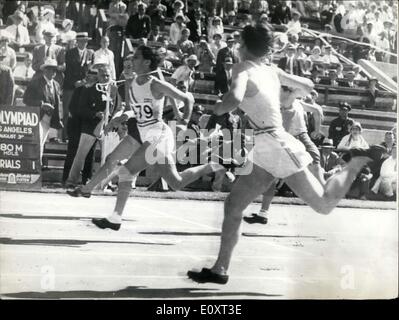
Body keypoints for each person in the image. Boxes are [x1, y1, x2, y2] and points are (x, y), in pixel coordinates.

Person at [186, 23, 379, 284]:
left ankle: (354, 163)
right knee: (233, 205)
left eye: (239, 43)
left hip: (275, 143)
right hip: (264, 146)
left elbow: (233, 99)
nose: (237, 47)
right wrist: (289, 82)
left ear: (244, 46)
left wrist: (218, 108)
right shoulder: (270, 70)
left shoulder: (243, 68)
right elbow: (309, 84)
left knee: (323, 205)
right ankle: (220, 269)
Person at [67, 45, 229, 231]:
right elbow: (134, 109)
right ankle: (214, 165)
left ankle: (114, 217)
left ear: (146, 62)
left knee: (126, 172)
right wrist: (123, 116)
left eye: (136, 58)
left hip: (157, 133)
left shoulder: (155, 83)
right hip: (143, 132)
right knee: (174, 182)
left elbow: (188, 99)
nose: (132, 61)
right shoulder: (132, 83)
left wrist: (183, 120)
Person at [244, 85, 325, 225]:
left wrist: (317, 130)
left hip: (297, 139)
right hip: (291, 141)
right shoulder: (291, 104)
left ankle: (328, 197)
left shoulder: (290, 104)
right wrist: (317, 130)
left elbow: (316, 110)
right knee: (270, 176)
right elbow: (317, 110)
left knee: (315, 172)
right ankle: (263, 214)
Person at [65, 65, 118, 186]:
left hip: (108, 128)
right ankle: (71, 181)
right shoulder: (89, 90)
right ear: (97, 76)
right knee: (80, 155)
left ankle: (107, 183)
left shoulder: (114, 89)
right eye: (102, 75)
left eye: (107, 75)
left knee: (110, 156)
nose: (105, 78)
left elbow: (118, 107)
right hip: (90, 127)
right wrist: (95, 114)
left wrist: (112, 119)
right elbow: (80, 109)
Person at [23, 58, 64, 162]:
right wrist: (41, 104)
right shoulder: (36, 82)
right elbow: (26, 99)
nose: (53, 72)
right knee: (38, 141)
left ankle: (37, 163)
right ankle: (36, 164)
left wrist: (58, 119)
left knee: (42, 141)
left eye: (55, 70)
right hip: (38, 116)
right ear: (44, 70)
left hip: (49, 119)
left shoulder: (56, 85)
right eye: (50, 69)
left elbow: (57, 102)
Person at [62, 68, 98, 185]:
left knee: (90, 154)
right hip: (76, 125)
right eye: (90, 74)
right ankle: (66, 178)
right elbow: (72, 108)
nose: (91, 77)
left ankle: (86, 179)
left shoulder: (98, 91)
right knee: (72, 151)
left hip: (90, 125)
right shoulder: (79, 90)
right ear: (86, 75)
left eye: (94, 75)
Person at [63, 32, 94, 140]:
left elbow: (91, 71)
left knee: (81, 111)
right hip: (70, 87)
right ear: (77, 42)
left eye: (86, 41)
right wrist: (74, 82)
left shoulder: (90, 53)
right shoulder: (70, 53)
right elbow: (67, 71)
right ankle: (65, 135)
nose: (84, 43)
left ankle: (78, 135)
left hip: (84, 87)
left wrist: (84, 81)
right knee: (67, 111)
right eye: (82, 41)